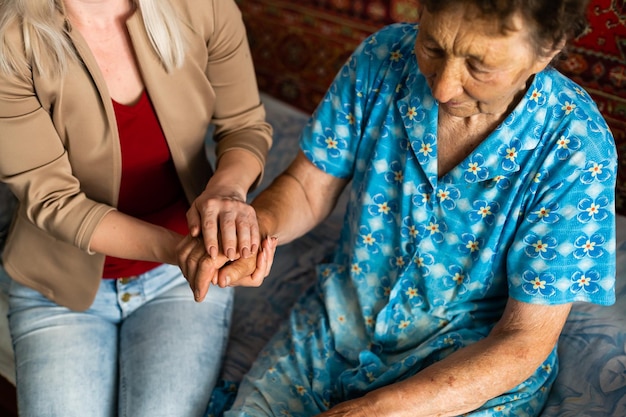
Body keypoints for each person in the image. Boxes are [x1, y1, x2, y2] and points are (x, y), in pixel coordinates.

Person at [182, 0, 618, 415]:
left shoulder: (577, 147)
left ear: (547, 51)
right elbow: (306, 187)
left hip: (468, 367)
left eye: (478, 66)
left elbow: (522, 340)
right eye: (432, 47)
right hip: (340, 325)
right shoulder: (383, 57)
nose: (444, 86)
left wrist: (372, 411)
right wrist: (251, 229)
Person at [0, 0, 272, 415]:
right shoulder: (10, 40)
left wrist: (228, 193)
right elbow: (52, 199)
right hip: (58, 287)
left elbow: (244, 126)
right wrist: (178, 251)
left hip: (178, 280)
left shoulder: (204, 7)